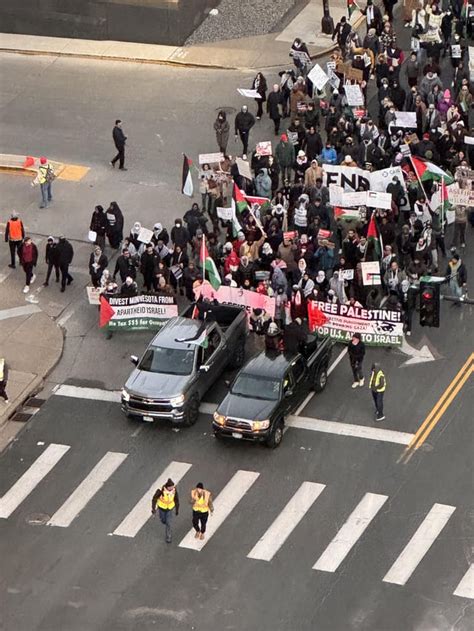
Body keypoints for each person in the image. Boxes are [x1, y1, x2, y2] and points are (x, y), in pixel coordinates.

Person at [151, 478, 180, 543]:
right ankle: (164, 521)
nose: (172, 488)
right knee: (163, 520)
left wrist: (177, 509)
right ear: (167, 487)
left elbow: (176, 500)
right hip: (162, 508)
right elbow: (154, 499)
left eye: (173, 486)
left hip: (170, 508)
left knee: (168, 523)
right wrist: (153, 509)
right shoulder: (161, 491)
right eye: (171, 487)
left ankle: (168, 537)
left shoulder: (174, 491)